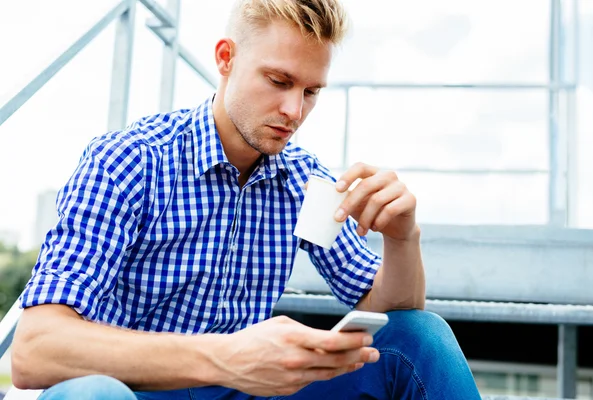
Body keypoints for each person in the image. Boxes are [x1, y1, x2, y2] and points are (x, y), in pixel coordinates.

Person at [11, 0, 481, 398]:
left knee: (420, 337)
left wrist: (403, 239)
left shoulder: (303, 180)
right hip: (135, 387)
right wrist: (226, 357)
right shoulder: (129, 162)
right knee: (93, 393)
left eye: (311, 91)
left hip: (247, 391)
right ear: (225, 58)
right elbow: (36, 349)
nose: (294, 112)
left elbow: (387, 310)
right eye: (279, 81)